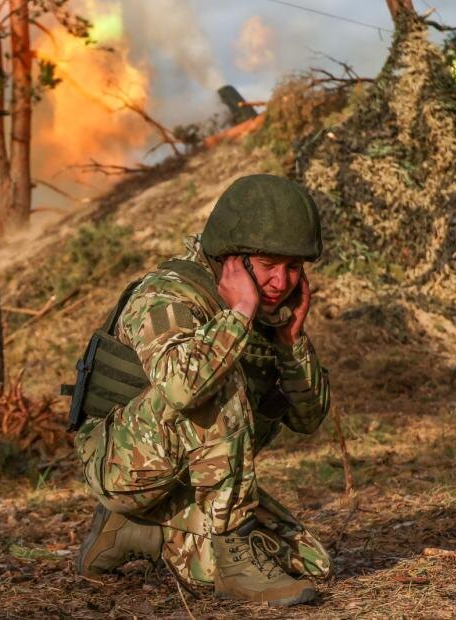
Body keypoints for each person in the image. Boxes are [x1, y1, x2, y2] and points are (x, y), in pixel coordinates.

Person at [72, 174, 331, 606]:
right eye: (269, 266)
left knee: (308, 562)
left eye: (293, 268)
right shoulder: (166, 295)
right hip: (120, 465)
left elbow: (308, 420)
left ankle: (136, 531)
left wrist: (291, 343)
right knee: (215, 376)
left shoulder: (271, 313)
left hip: (193, 476)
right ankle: (232, 559)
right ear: (233, 258)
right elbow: (183, 388)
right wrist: (240, 314)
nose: (282, 282)